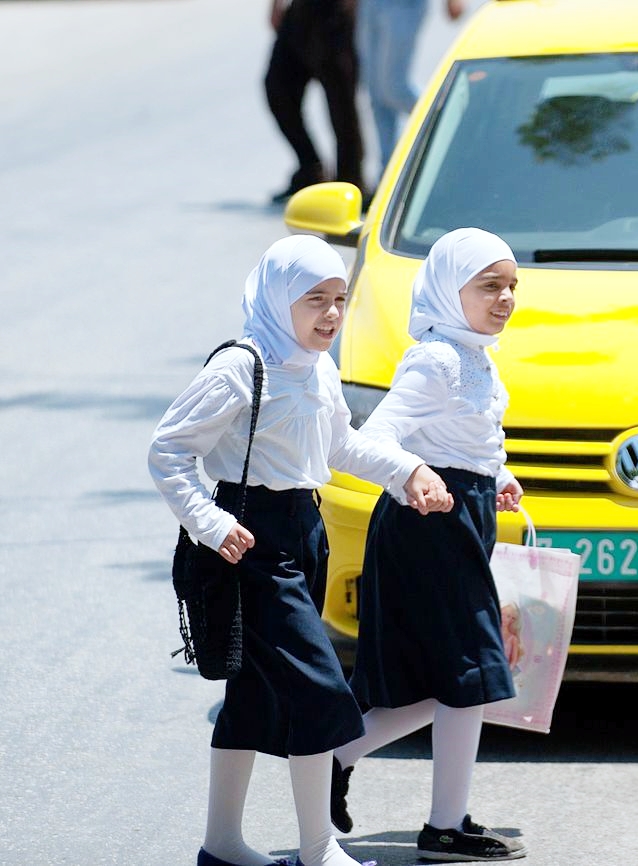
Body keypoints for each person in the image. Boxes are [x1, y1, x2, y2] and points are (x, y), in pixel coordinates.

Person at [148, 234, 454, 866]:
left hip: (303, 532)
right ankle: (319, 851)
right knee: (319, 691)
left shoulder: (315, 366)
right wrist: (208, 521)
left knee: (254, 695)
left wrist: (408, 472)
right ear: (279, 298)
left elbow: (340, 445)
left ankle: (223, 848)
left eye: (340, 299)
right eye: (315, 300)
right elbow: (169, 450)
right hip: (248, 543)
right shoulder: (241, 366)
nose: (331, 315)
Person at [330, 227, 528, 861]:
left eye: (511, 287)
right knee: (469, 671)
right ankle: (443, 828)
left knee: (455, 675)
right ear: (450, 289)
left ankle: (342, 754)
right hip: (427, 528)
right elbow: (377, 436)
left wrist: (496, 476)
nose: (505, 300)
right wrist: (414, 475)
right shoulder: (436, 358)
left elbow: (467, 439)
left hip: (462, 517)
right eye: (490, 286)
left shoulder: (477, 355)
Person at [265, 0, 366, 203]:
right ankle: (311, 170)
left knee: (341, 104)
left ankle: (350, 183)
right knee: (278, 88)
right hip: (299, 12)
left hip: (336, 12)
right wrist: (276, 4)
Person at [356, 0, 465, 185]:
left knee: (395, 88)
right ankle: (388, 179)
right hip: (370, 5)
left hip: (404, 5)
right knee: (376, 95)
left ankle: (455, 123)